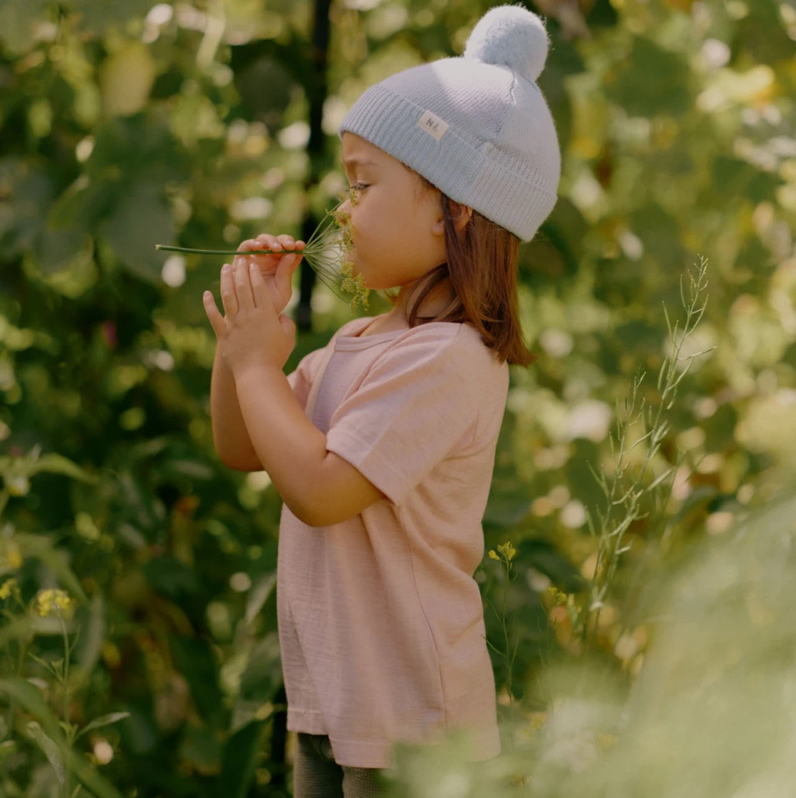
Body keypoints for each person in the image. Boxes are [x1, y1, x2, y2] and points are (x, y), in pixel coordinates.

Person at [206, 4, 561, 796]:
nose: (343, 209)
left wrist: (263, 370)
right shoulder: (360, 342)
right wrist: (239, 351)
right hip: (335, 704)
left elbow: (322, 491)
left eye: (363, 184)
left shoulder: (450, 359)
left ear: (454, 211)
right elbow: (242, 448)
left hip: (414, 726)